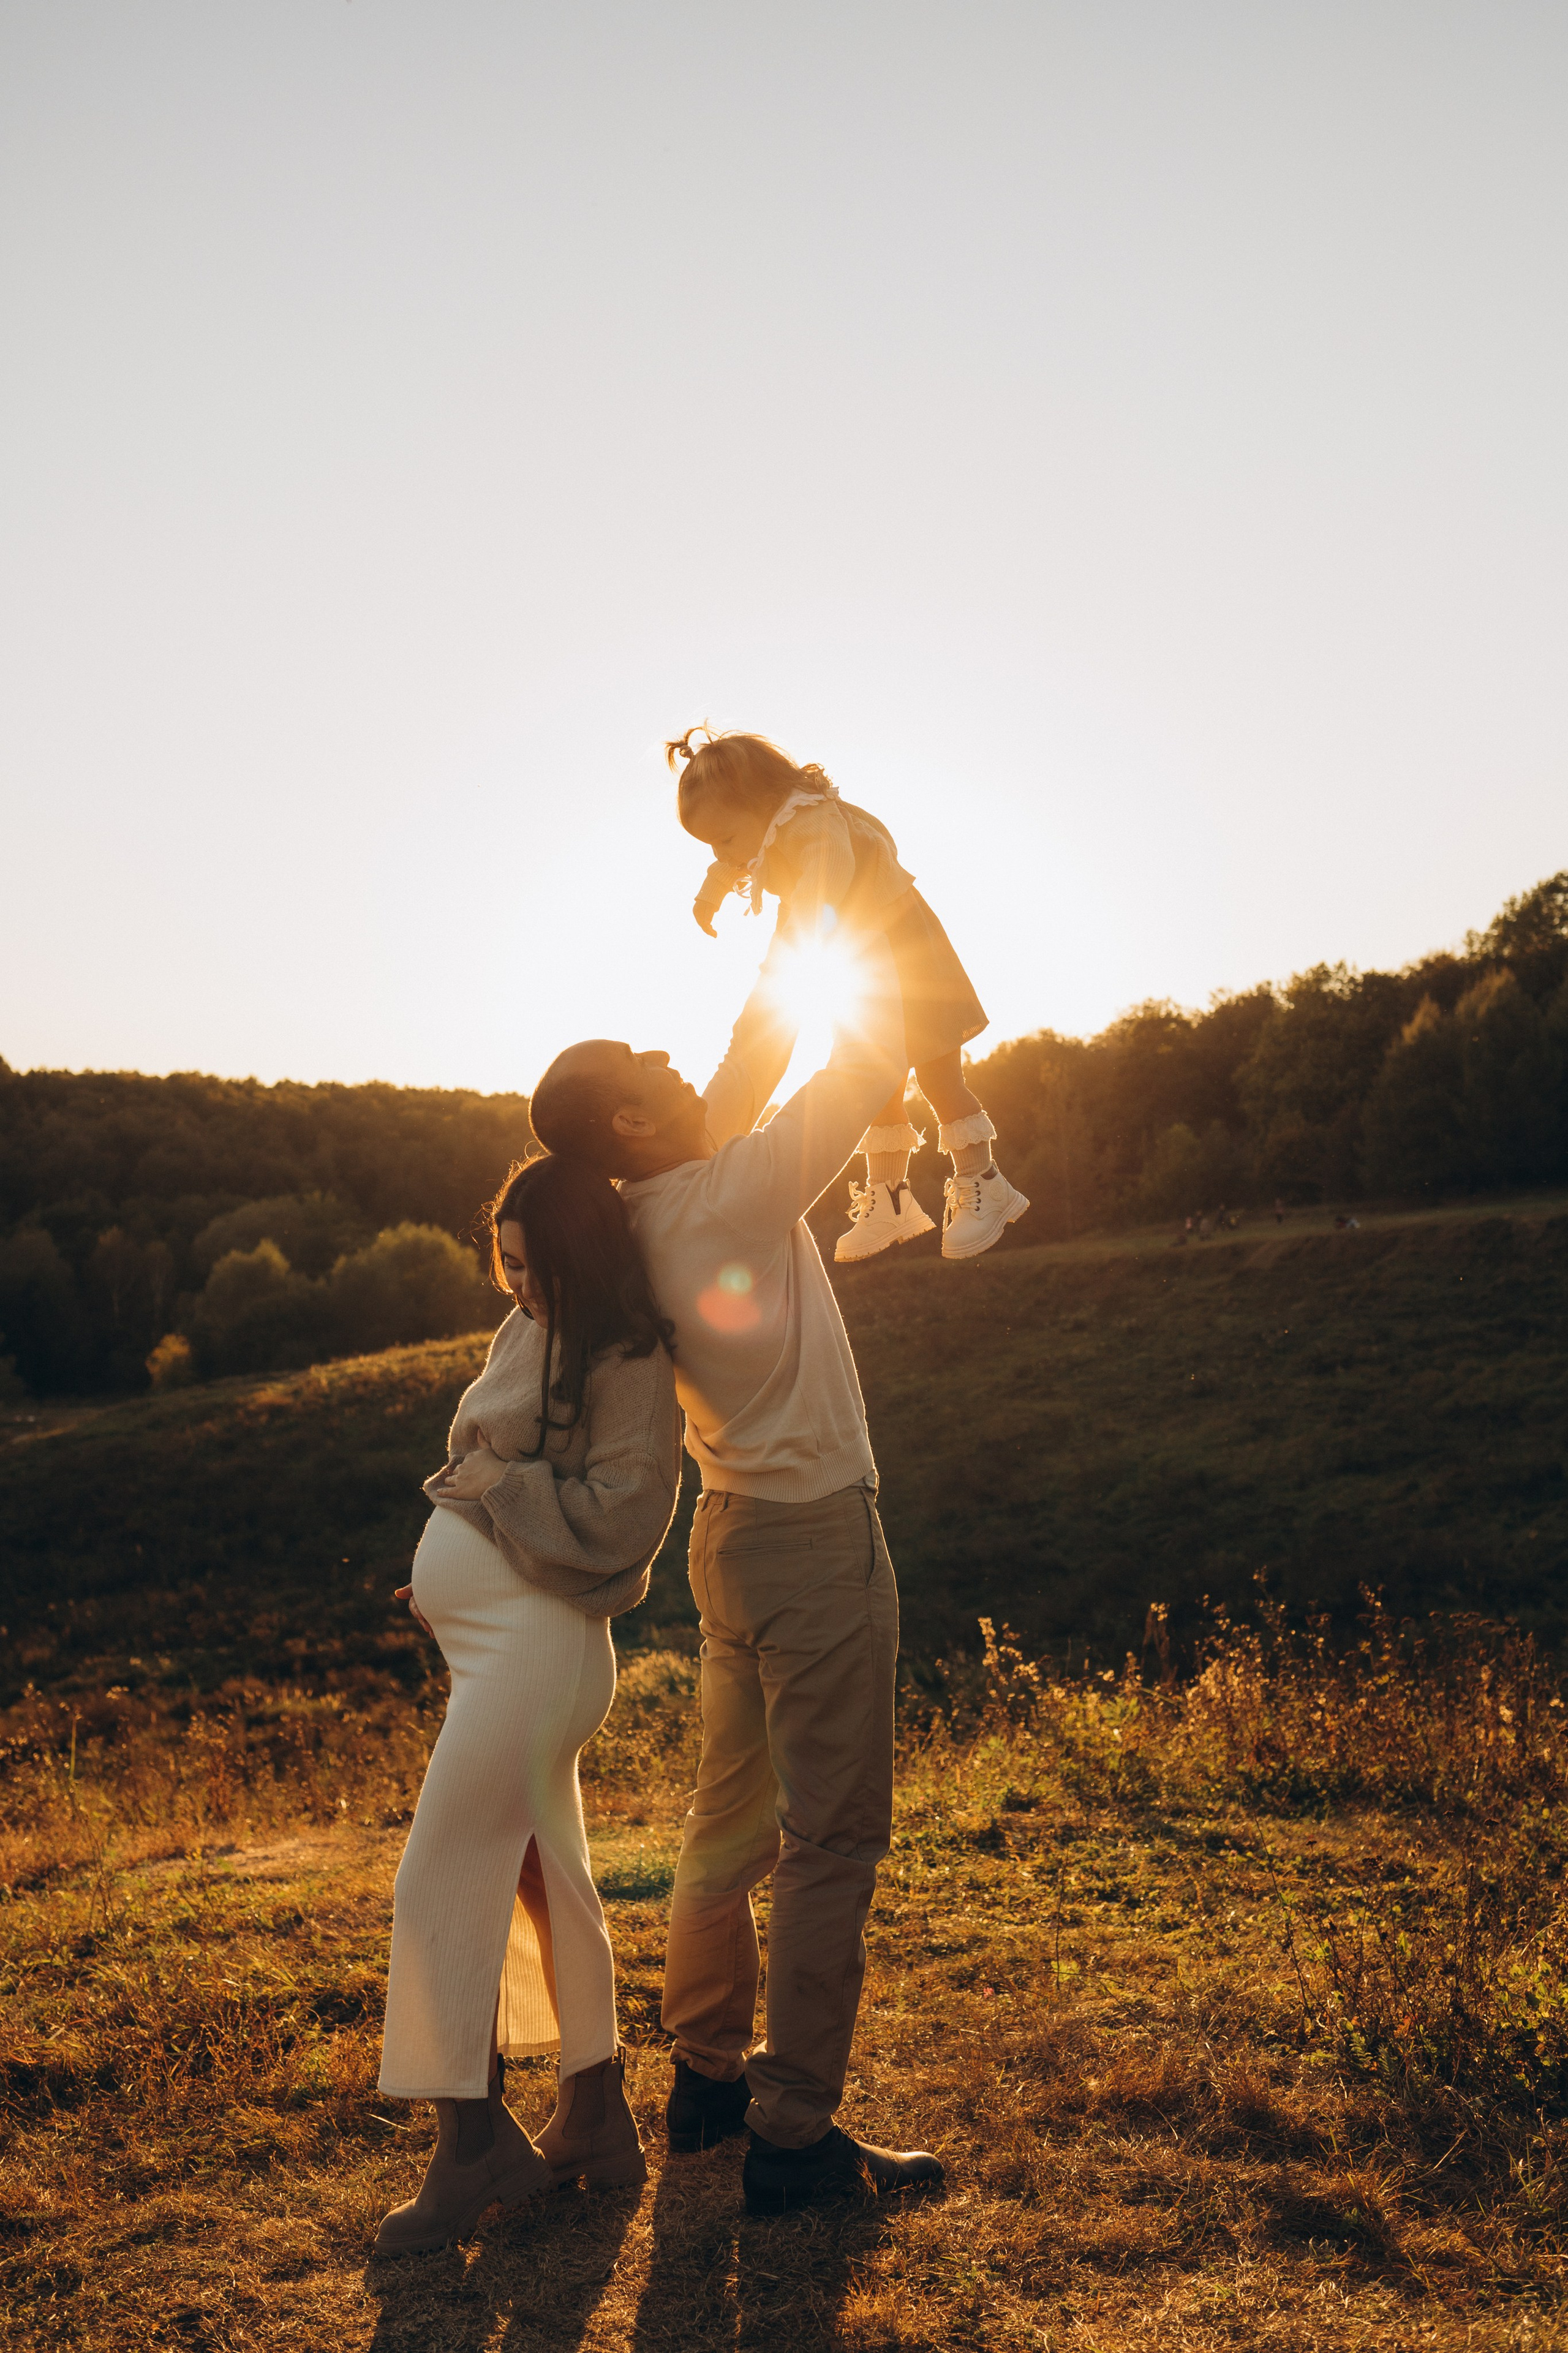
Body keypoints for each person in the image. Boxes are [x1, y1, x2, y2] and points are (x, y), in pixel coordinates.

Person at [527, 924, 944, 2218]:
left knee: (724, 1828)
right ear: (633, 1122)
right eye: (644, 1061)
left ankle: (706, 2074)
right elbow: (877, 1051)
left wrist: (793, 927)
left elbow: (742, 1061)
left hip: (732, 1541)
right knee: (830, 1839)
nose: (672, 1055)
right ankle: (792, 2133)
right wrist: (878, 910)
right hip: (815, 1541)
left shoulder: (651, 1208)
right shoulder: (730, 1194)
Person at [374, 1154, 681, 2254]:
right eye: (500, 1261)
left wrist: (490, 1507)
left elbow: (621, 1518)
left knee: (436, 1880)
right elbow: (490, 1484)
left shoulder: (631, 1358)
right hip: (498, 1641)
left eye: (528, 1261)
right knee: (550, 1884)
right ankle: (595, 2120)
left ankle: (473, 2150)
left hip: (539, 1654)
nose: (513, 1281)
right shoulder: (525, 1331)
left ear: (576, 1252)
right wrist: (454, 1570)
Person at [671, 725, 1029, 1266]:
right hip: (861, 964)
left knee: (937, 1076)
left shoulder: (811, 820)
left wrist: (804, 940)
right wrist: (710, 893)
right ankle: (890, 1199)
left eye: (724, 837)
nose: (724, 853)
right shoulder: (765, 826)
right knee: (876, 1081)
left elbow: (829, 873)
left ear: (762, 802)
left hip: (906, 955)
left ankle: (985, 1181)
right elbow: (733, 864)